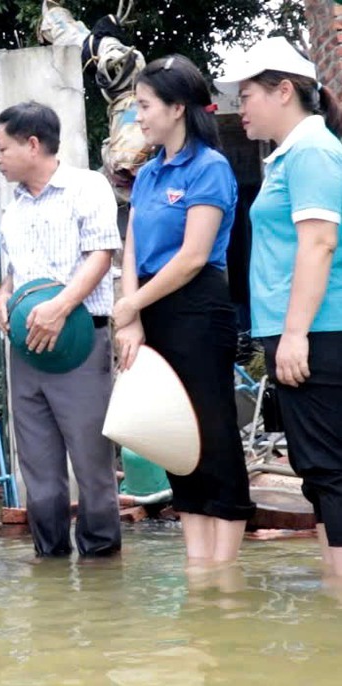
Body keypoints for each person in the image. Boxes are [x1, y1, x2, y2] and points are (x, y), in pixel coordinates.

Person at [113, 55, 256, 565]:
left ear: (177, 108)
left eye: (145, 106)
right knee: (172, 430)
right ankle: (199, 561)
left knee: (211, 428)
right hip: (152, 306)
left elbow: (194, 256)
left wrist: (131, 304)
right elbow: (130, 248)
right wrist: (130, 316)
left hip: (198, 305)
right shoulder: (149, 175)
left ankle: (226, 564)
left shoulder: (210, 167)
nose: (139, 117)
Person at [216, 37, 342, 577]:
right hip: (305, 331)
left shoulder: (311, 150)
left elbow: (319, 243)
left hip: (319, 331)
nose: (238, 108)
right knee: (320, 473)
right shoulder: (290, 155)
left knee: (329, 471)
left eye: (247, 95)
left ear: (284, 90)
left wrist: (295, 335)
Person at [0, 102, 123, 558]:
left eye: (3, 148)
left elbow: (102, 255)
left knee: (92, 467)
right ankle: (48, 570)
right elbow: (15, 271)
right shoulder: (13, 206)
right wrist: (3, 296)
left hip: (80, 344)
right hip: (26, 351)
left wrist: (61, 307)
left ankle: (104, 572)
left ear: (32, 144)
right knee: (39, 473)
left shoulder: (87, 187)